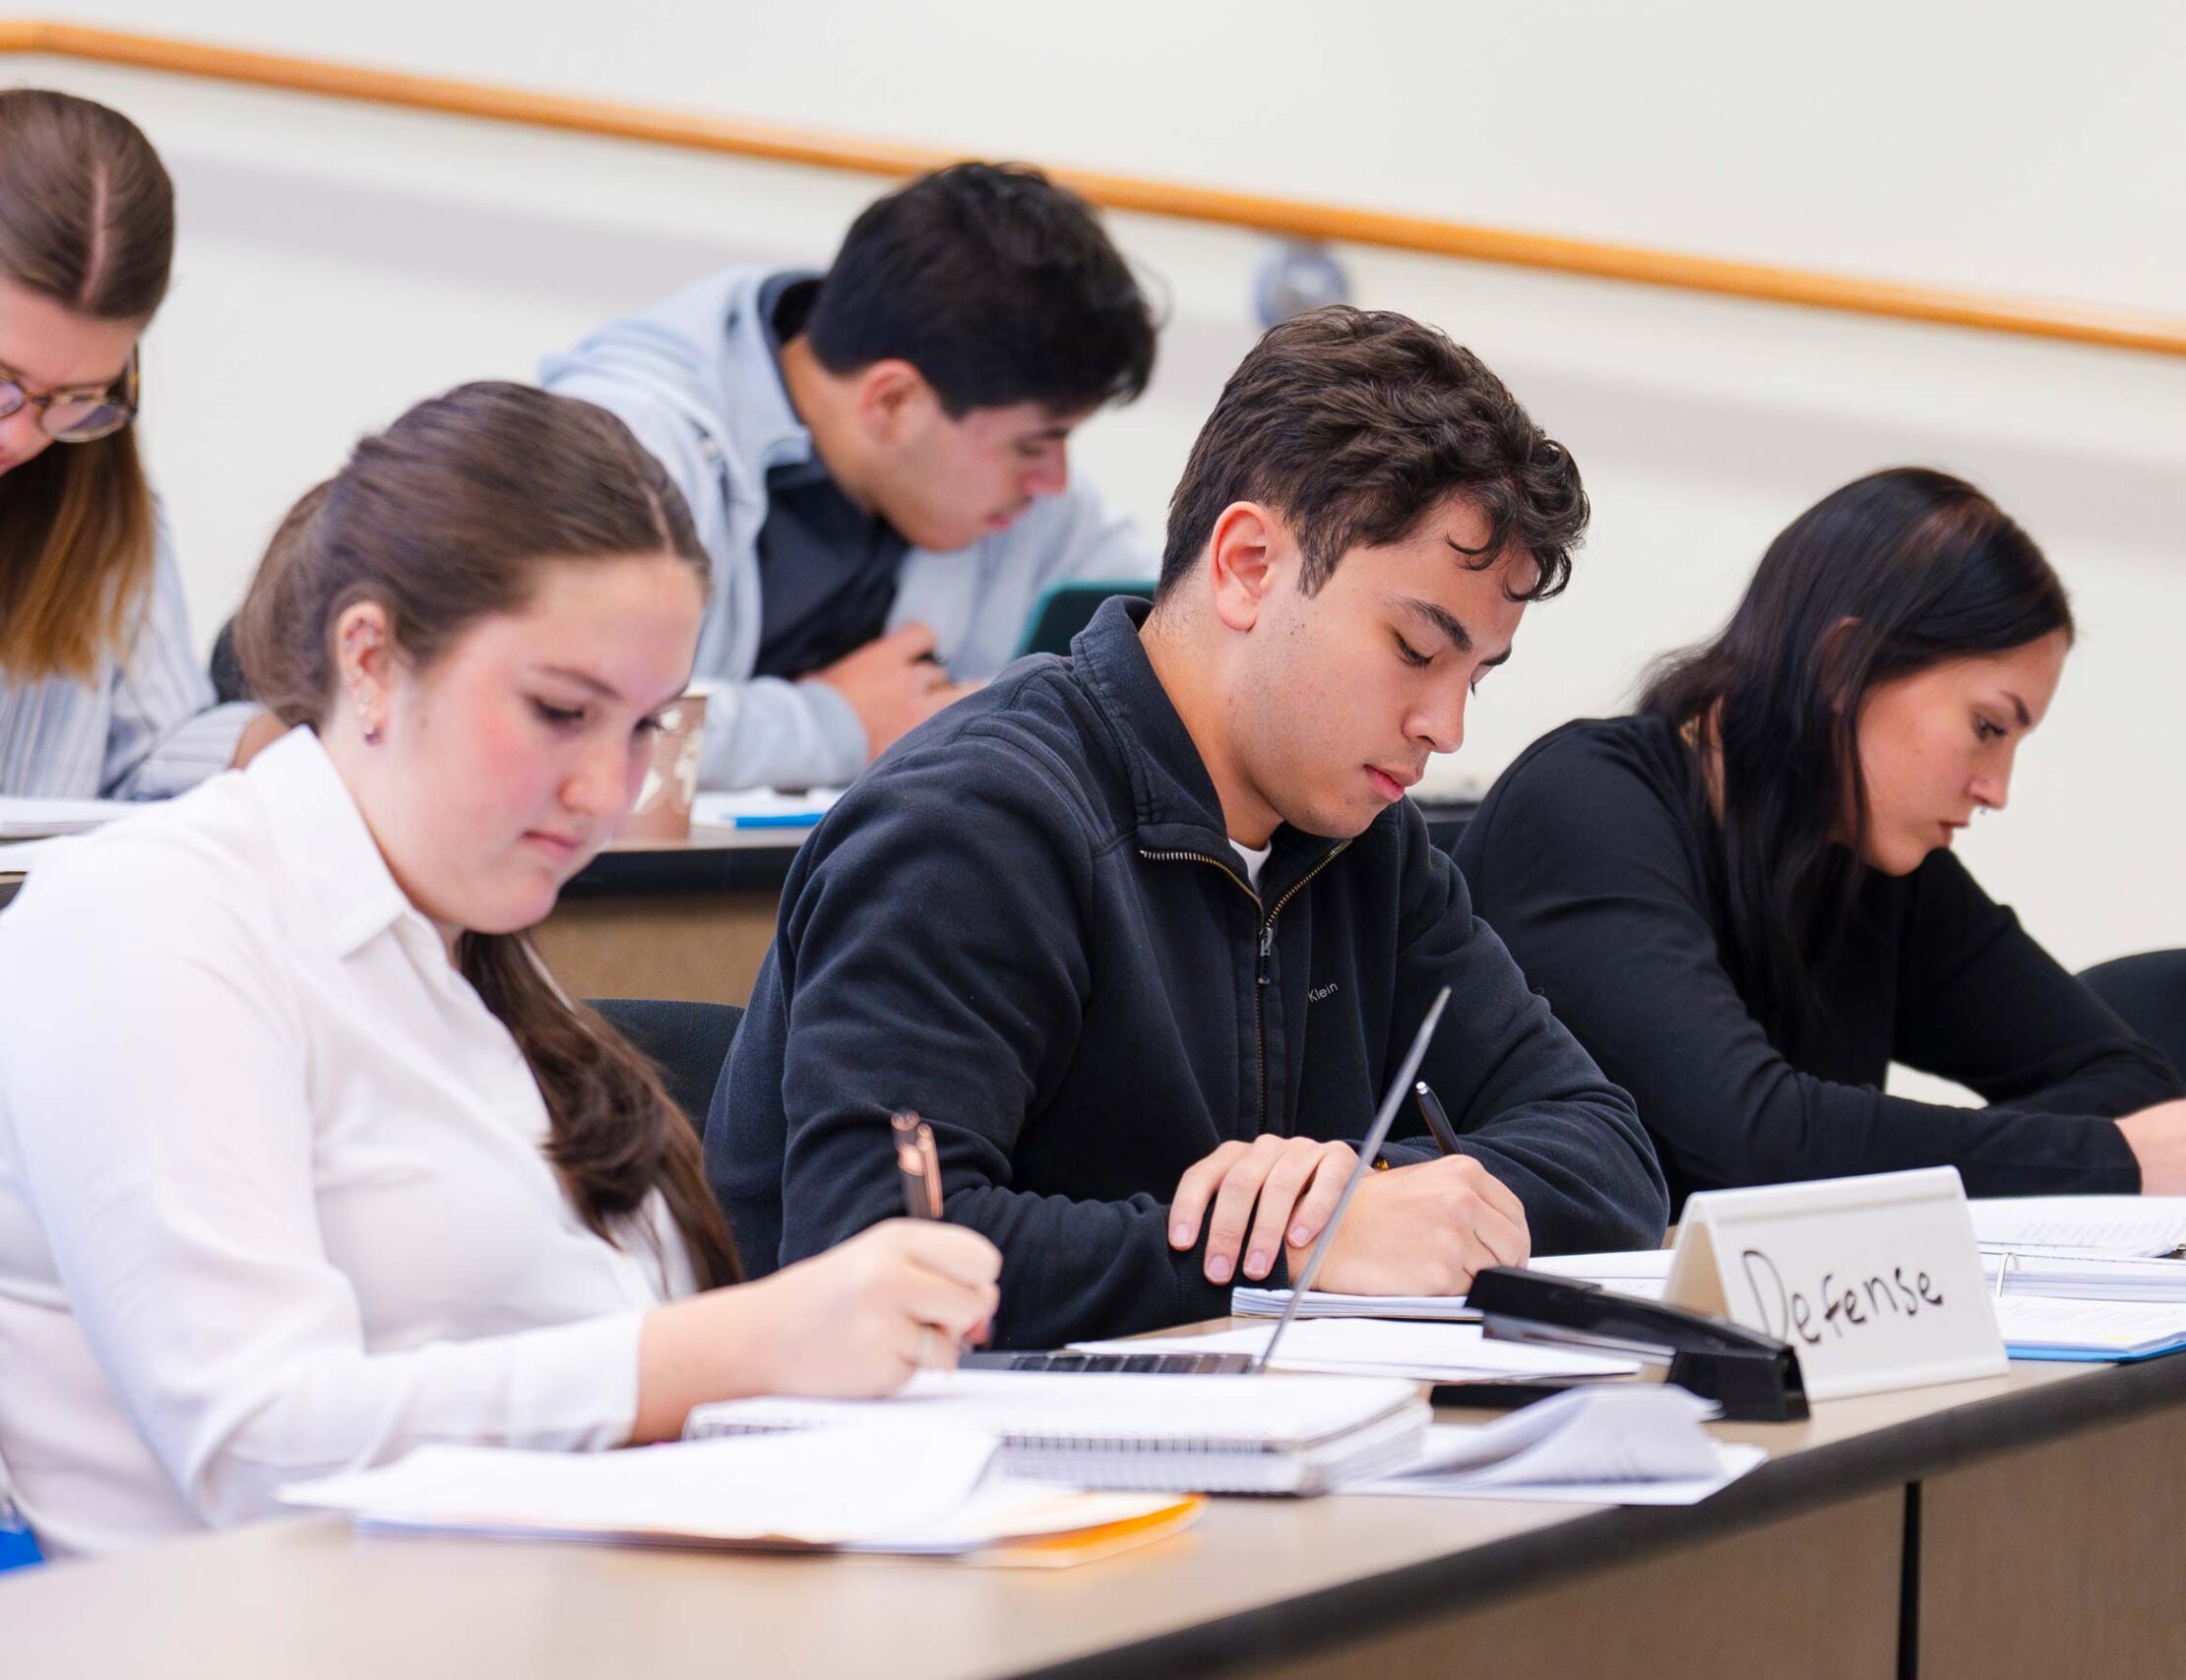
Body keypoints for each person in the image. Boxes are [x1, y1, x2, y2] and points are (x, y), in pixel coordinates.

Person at [0, 384, 998, 1559]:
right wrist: (735, 1349)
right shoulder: (153, 917)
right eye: (559, 711)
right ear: (368, 658)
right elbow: (255, 1446)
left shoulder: (468, 961)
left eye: (645, 730)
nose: (608, 793)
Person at [708, 307, 1669, 1349]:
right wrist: (1293, 1250)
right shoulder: (972, 823)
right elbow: (869, 1247)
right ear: (1249, 563)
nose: (1444, 725)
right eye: (1412, 648)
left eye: (1474, 674)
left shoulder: (1365, 843)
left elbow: (1610, 1159)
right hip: (939, 1483)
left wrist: (1368, 1192)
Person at [1454, 467, 2186, 1201]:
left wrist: (1851, 1145)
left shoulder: (1869, 862)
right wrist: (2107, 1160)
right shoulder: (1586, 805)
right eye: (1988, 726)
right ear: (1846, 666)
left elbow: (2132, 1083)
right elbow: (1747, 1142)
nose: (1997, 789)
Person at [539, 160, 1159, 791]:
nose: (1055, 480)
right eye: (1033, 446)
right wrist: (841, 725)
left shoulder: (1004, 469)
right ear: (892, 403)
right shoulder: (629, 450)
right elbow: (573, 715)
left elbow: (1178, 631)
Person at [0, 88, 281, 797]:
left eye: (76, 400)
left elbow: (153, 762)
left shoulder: (102, 514)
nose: (23, 438)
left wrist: (302, 749)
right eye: (2, 382)